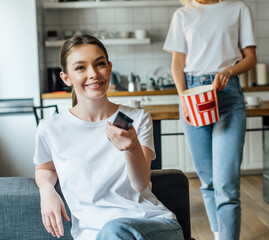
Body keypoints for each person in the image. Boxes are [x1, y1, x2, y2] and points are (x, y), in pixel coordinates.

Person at [34, 34, 184, 240]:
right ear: (66, 78)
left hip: (151, 225)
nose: (94, 74)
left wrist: (131, 147)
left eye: (100, 64)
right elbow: (45, 168)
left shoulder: (135, 118)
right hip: (93, 234)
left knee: (115, 230)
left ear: (110, 68)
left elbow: (140, 184)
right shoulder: (50, 128)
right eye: (80, 68)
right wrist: (46, 190)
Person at [163, 0, 257, 239]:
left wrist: (229, 71)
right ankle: (218, 234)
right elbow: (177, 63)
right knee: (208, 180)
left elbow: (250, 57)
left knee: (226, 183)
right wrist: (183, 96)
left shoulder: (238, 9)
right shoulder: (183, 14)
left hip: (228, 95)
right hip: (193, 94)